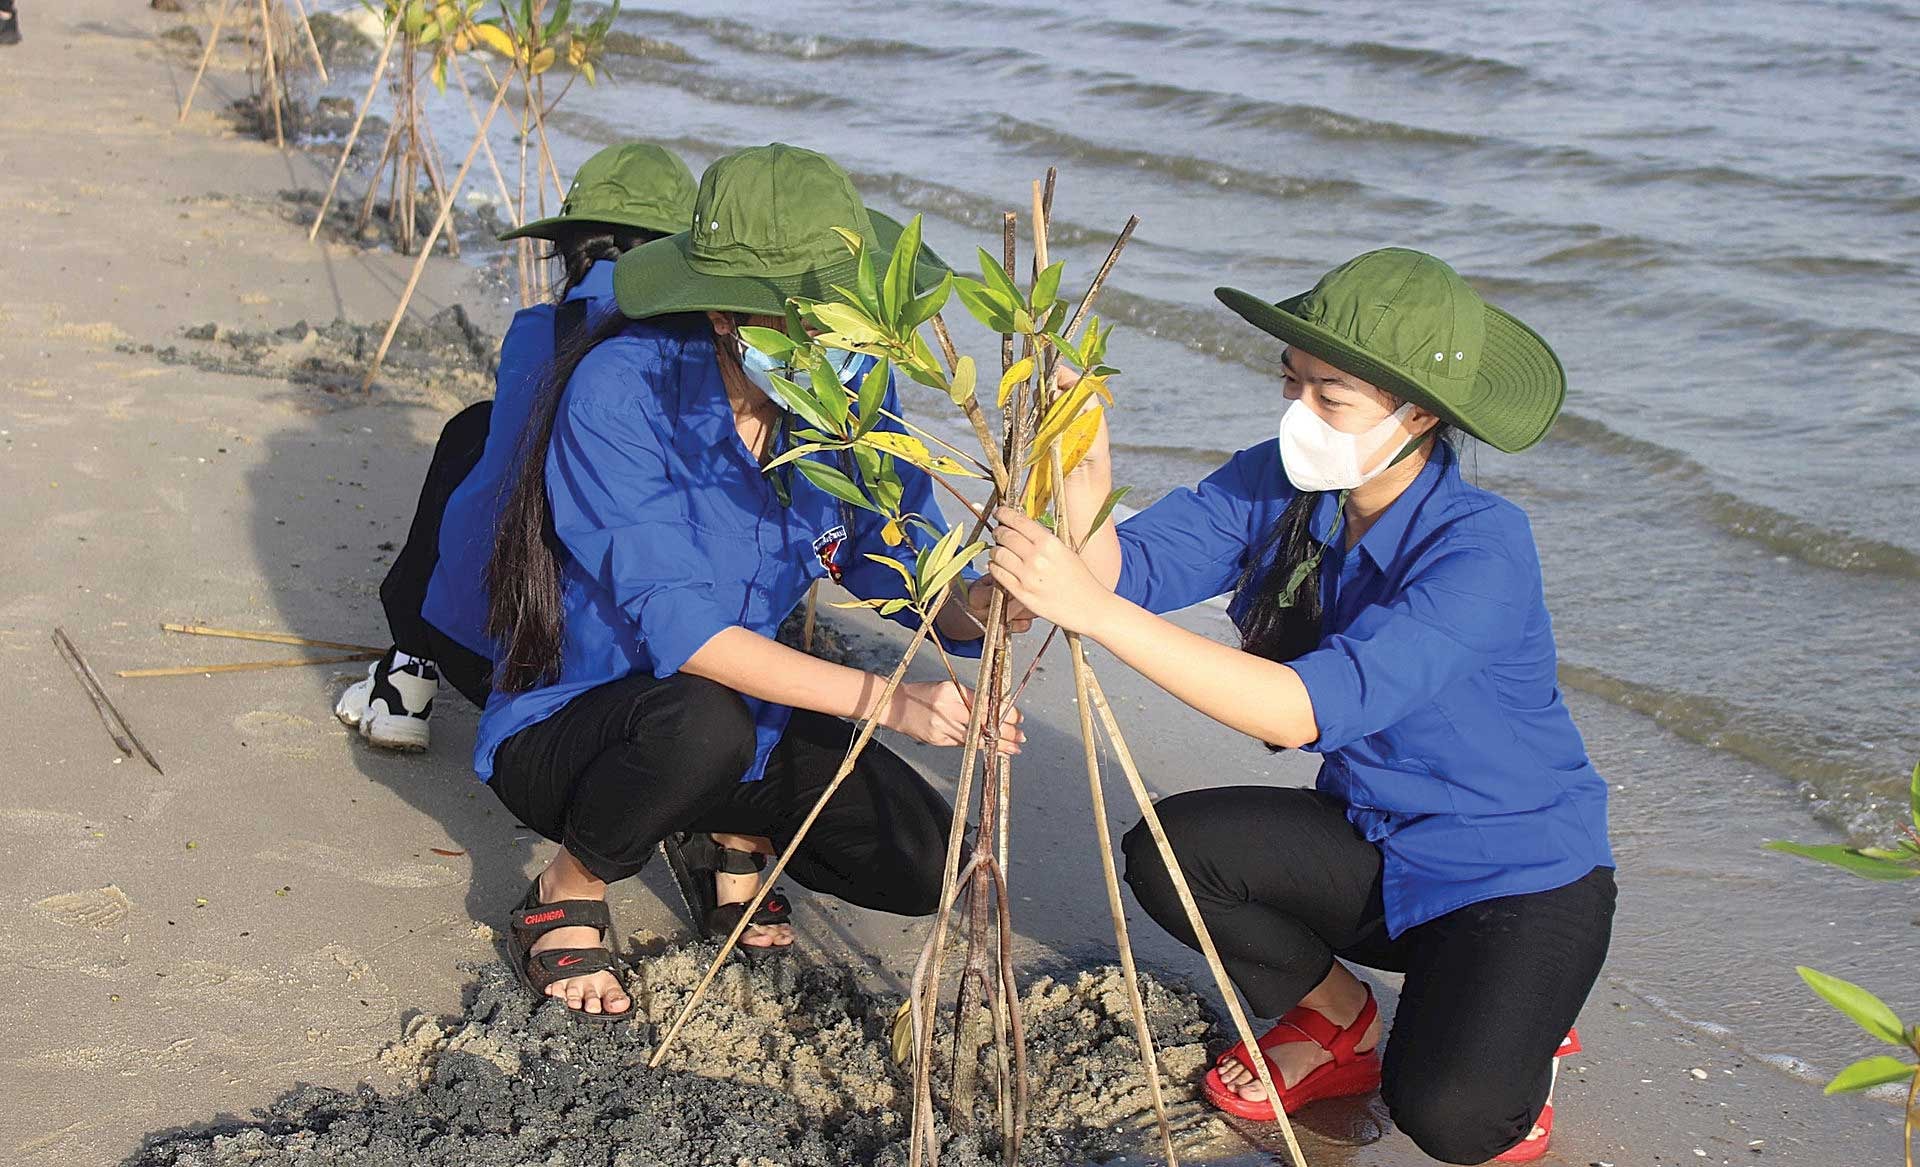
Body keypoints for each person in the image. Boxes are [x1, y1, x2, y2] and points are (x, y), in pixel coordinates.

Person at [987, 248, 1614, 1163]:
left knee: (1454, 1118)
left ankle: (1523, 1025)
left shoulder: (1482, 548)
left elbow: (1302, 710)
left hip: (1515, 872)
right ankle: (1337, 1014)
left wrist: (1093, 612)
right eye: (1292, 381)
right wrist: (1085, 457)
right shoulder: (1283, 486)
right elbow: (1123, 571)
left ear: (1420, 413)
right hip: (1377, 838)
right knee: (1173, 855)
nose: (1299, 411)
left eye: (1332, 395)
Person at [478, 143, 1024, 1020]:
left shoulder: (847, 403)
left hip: (747, 716)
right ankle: (569, 884)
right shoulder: (622, 390)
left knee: (923, 860)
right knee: (701, 724)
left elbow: (907, 568)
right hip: (584, 726)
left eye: (848, 321)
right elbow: (688, 637)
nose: (835, 348)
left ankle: (721, 826)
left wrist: (996, 600)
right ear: (724, 310)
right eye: (809, 322)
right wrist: (891, 701)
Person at [334, 143, 697, 751]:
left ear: (572, 246)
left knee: (474, 435)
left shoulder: (535, 330)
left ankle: (407, 668)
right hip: (641, 676)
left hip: (483, 656)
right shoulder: (702, 364)